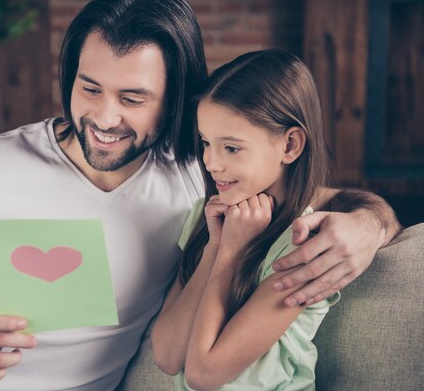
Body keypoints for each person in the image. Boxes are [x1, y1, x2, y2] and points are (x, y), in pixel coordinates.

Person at [0, 0, 399, 391]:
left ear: (175, 99)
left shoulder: (199, 172)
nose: (103, 118)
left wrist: (370, 224)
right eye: (89, 89)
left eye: (132, 99)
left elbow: (317, 196)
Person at [151, 48, 397, 391]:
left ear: (290, 145)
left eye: (231, 148)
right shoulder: (206, 216)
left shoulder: (306, 240)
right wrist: (216, 245)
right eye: (206, 142)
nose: (211, 162)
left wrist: (231, 253)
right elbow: (166, 354)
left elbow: (203, 373)